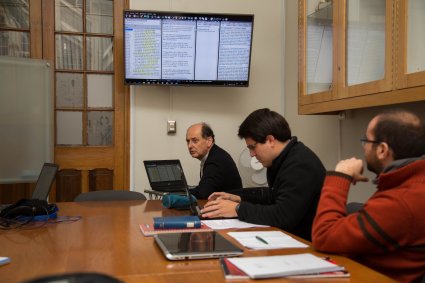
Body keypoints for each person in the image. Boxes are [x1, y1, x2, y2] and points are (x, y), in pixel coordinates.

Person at [312, 109, 425, 283]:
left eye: (366, 141)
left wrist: (340, 175)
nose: (364, 147)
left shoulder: (402, 200)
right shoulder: (411, 183)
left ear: (382, 150)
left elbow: (324, 235)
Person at [201, 108, 326, 241]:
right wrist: (237, 197)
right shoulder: (283, 159)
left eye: (253, 147)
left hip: (306, 245)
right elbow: (272, 196)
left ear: (270, 140)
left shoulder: (300, 164)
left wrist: (238, 209)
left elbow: (283, 216)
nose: (252, 154)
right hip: (289, 238)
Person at [186, 122, 242, 199]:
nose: (189, 146)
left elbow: (203, 193)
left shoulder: (215, 160)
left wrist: (180, 193)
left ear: (209, 141)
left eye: (195, 141)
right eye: (188, 141)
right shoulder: (214, 154)